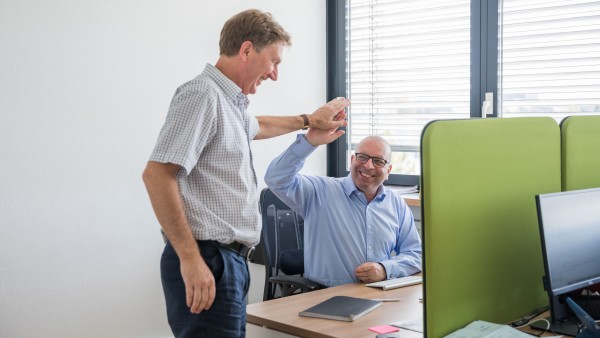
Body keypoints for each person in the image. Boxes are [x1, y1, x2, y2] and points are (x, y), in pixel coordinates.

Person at [142, 9, 349, 338]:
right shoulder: (202, 96)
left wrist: (309, 120)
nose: (274, 74)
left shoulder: (229, 104)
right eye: (274, 62)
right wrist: (191, 259)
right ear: (247, 49)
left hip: (227, 261)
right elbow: (157, 175)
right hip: (207, 258)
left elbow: (259, 126)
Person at [264, 128, 422, 287]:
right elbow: (275, 178)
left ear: (388, 170)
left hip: (378, 296)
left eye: (378, 161)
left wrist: (385, 269)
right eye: (362, 157)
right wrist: (308, 142)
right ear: (352, 160)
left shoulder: (396, 204)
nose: (368, 165)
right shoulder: (320, 191)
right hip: (328, 298)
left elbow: (416, 253)